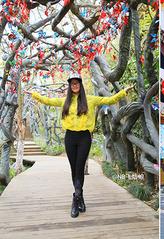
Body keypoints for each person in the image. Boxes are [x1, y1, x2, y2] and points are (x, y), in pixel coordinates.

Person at [27, 73, 132, 218]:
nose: (74, 85)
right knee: (73, 169)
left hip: (84, 137)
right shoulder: (65, 101)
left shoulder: (90, 100)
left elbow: (109, 99)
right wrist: (35, 95)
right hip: (70, 137)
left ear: (80, 85)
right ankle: (80, 197)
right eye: (72, 83)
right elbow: (48, 101)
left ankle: (75, 201)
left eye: (77, 83)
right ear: (70, 86)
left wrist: (123, 92)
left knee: (79, 168)